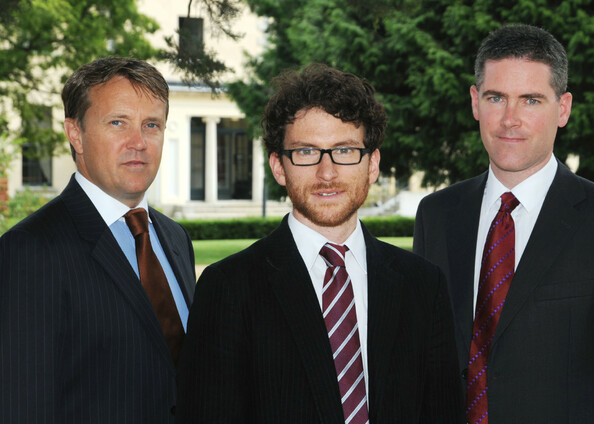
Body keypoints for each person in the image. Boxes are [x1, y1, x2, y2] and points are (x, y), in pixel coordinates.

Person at [177, 63, 463, 423]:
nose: (327, 173)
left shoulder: (423, 285)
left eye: (344, 151)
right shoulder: (229, 288)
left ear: (372, 164)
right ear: (279, 167)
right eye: (306, 152)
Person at [413, 24, 594, 423]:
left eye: (531, 100)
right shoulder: (436, 215)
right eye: (496, 98)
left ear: (563, 108)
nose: (510, 119)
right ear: (475, 102)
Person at [0, 57, 196, 423]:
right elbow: (22, 404)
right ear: (75, 133)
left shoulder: (175, 238)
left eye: (151, 125)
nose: (139, 142)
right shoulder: (29, 249)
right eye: (118, 123)